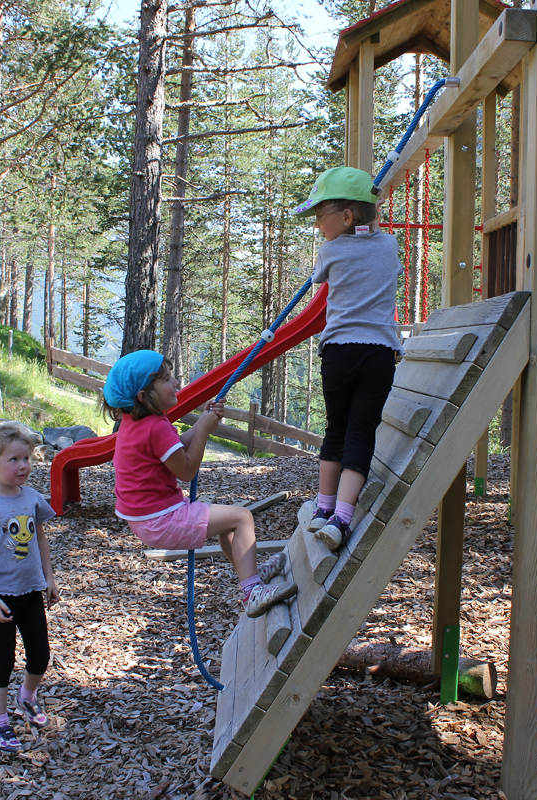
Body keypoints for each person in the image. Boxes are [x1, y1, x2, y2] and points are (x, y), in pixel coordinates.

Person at [102, 350, 296, 617]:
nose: (176, 384)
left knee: (227, 524)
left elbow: (174, 448)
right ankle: (252, 592)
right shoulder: (156, 427)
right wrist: (203, 428)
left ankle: (248, 572)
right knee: (242, 518)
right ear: (144, 396)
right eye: (167, 379)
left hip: (147, 519)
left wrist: (203, 422)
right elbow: (187, 470)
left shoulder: (136, 423)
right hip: (162, 520)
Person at [292, 166, 401, 550]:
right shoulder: (390, 246)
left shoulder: (331, 249)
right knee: (361, 432)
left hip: (339, 351)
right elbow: (380, 252)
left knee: (336, 428)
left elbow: (319, 279)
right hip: (379, 353)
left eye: (322, 215)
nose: (318, 223)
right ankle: (341, 518)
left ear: (347, 216)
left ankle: (323, 509)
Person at [0, 422, 59, 753]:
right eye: (14, 460)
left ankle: (27, 697)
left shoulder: (32, 498)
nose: (24, 466)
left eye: (27, 458)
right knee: (3, 660)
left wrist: (50, 578)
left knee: (40, 656)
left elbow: (41, 540)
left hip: (31, 590)